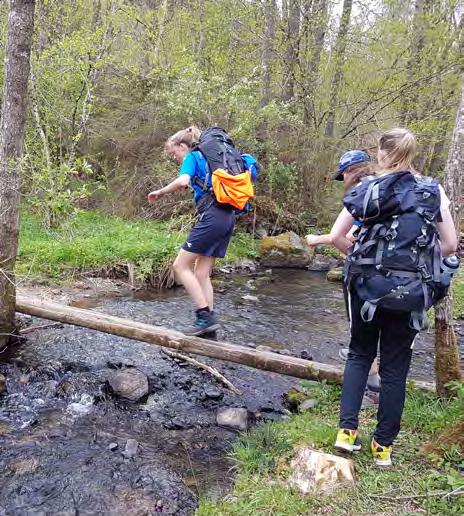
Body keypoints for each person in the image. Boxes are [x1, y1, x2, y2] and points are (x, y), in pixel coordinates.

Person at [331, 128, 458, 466]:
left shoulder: (367, 188)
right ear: (411, 153)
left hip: (367, 286)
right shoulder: (433, 191)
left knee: (359, 354)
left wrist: (356, 257)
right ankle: (383, 448)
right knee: (395, 367)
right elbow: (449, 245)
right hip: (411, 290)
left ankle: (346, 433)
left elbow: (336, 236)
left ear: (381, 153)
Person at [148, 126, 258, 336]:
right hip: (228, 218)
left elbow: (183, 182)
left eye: (174, 153)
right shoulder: (218, 158)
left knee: (180, 266)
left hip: (212, 217)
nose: (174, 158)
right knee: (201, 272)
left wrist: (159, 192)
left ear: (183, 146)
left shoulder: (194, 156)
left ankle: (204, 317)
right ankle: (210, 327)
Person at [306, 150, 381, 394]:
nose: (344, 181)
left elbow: (343, 235)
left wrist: (317, 239)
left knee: (359, 318)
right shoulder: (387, 185)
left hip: (366, 268)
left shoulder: (361, 192)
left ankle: (369, 372)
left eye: (343, 175)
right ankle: (382, 370)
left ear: (350, 172)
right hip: (395, 268)